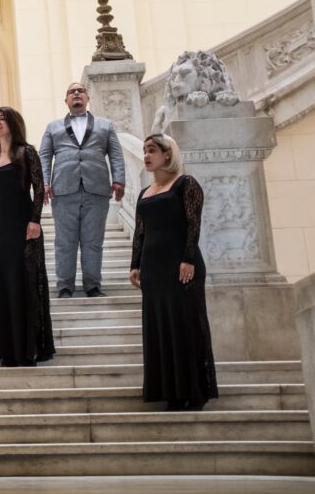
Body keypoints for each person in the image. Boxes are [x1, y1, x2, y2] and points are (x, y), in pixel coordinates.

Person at [129, 133, 218, 411]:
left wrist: (188, 259)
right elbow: (140, 232)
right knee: (160, 327)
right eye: (144, 150)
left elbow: (194, 224)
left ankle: (195, 391)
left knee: (186, 325)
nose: (146, 155)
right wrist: (135, 264)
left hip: (182, 266)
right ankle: (172, 392)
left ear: (167, 154)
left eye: (152, 150)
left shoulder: (185, 184)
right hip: (153, 269)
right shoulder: (145, 192)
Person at [0, 107, 55, 367]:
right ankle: (5, 346)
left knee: (25, 282)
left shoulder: (27, 153)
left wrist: (35, 221)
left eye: (2, 119)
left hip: (23, 225)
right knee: (2, 283)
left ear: (13, 124)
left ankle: (29, 346)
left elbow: (39, 188)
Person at [39, 82, 125, 298]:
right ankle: (64, 285)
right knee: (64, 241)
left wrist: (119, 180)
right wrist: (44, 182)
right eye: (71, 91)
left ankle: (93, 285)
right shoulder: (53, 127)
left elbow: (115, 154)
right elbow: (44, 156)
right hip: (63, 189)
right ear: (66, 100)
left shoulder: (105, 125)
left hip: (96, 189)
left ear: (87, 98)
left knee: (93, 241)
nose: (76, 93)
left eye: (80, 91)